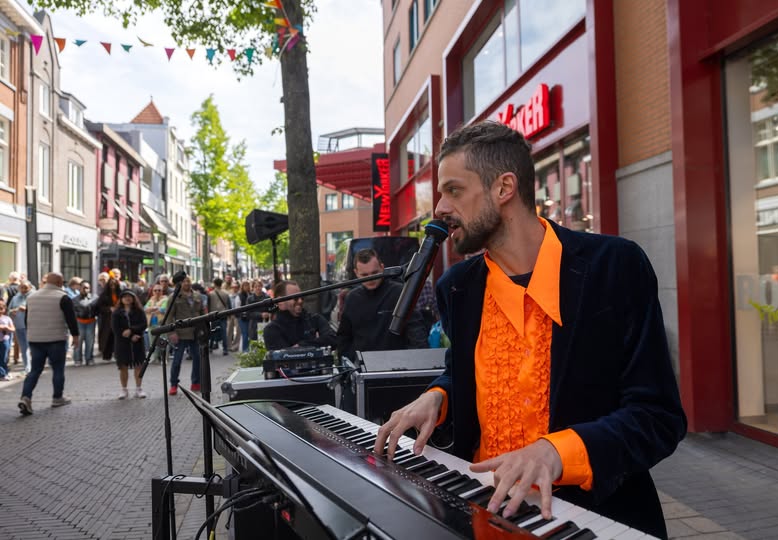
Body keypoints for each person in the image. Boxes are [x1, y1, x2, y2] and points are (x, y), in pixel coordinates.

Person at [372, 121, 686, 539]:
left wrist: (556, 451)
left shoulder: (616, 267)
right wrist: (439, 395)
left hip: (592, 521)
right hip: (484, 518)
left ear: (504, 188)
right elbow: (466, 372)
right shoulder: (457, 288)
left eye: (454, 190)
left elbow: (658, 417)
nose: (439, 210)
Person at [336, 248, 428, 361]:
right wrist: (348, 365)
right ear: (356, 273)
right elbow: (344, 337)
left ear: (382, 267)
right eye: (365, 275)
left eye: (374, 273)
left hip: (398, 365)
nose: (370, 279)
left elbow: (416, 330)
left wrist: (417, 362)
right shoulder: (352, 298)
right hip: (364, 367)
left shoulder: (399, 292)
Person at [18, 272, 79, 415]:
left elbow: (27, 319)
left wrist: (30, 334)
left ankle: (25, 397)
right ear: (59, 282)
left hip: (35, 339)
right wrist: (75, 337)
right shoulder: (63, 297)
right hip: (56, 339)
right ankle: (57, 398)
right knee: (58, 369)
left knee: (35, 370)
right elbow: (71, 319)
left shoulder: (32, 297)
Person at [263, 280, 337, 351]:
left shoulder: (315, 319)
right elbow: (282, 356)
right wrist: (317, 342)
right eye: (295, 298)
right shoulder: (272, 329)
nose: (300, 301)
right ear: (280, 302)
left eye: (302, 297)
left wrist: (301, 346)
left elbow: (332, 340)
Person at [165, 276, 204, 395]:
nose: (187, 283)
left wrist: (203, 329)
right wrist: (171, 333)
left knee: (197, 359)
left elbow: (202, 313)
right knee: (176, 361)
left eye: (188, 281)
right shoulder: (174, 297)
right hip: (180, 334)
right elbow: (169, 316)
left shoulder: (197, 296)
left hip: (195, 333)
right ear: (180, 283)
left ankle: (196, 382)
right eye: (184, 281)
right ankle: (173, 384)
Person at [111, 289, 148, 399]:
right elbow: (115, 328)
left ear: (133, 298)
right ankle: (124, 390)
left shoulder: (139, 311)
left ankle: (139, 389)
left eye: (129, 296)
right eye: (125, 296)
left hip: (137, 341)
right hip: (122, 343)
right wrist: (130, 335)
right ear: (121, 299)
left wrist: (132, 331)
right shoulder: (116, 313)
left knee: (138, 366)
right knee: (123, 367)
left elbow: (143, 324)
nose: (127, 298)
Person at [97, 272, 123, 362]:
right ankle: (107, 355)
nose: (113, 286)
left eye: (114, 284)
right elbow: (99, 307)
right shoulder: (104, 295)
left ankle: (118, 354)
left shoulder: (121, 294)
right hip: (107, 319)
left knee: (118, 337)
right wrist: (109, 309)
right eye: (111, 284)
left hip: (119, 319)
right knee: (107, 337)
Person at [72, 281, 98, 366]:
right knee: (78, 341)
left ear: (89, 289)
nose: (85, 289)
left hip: (91, 321)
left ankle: (89, 358)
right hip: (79, 322)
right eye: (83, 287)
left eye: (87, 287)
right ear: (79, 288)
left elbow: (98, 309)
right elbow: (72, 312)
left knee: (90, 342)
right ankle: (77, 359)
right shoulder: (74, 299)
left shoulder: (95, 298)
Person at [8, 280, 32, 372]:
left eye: (25, 287)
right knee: (23, 347)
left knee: (31, 347)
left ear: (30, 288)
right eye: (21, 287)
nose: (23, 289)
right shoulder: (15, 298)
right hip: (18, 325)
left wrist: (26, 309)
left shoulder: (33, 297)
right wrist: (12, 312)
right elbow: (8, 311)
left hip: (30, 325)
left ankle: (32, 367)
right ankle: (27, 367)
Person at [207, 277, 230, 355]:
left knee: (212, 332)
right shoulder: (226, 293)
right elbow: (228, 305)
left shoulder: (210, 294)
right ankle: (225, 349)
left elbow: (208, 305)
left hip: (213, 315)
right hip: (223, 314)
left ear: (214, 284)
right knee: (224, 333)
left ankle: (210, 347)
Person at [0, 299, 14, 381]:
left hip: (5, 341)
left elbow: (13, 329)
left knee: (4, 358)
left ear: (4, 309)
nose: (0, 310)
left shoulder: (7, 318)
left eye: (1, 308)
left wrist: (7, 328)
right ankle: (2, 374)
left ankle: (5, 373)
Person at [227, 281, 241, 352]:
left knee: (238, 331)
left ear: (238, 288)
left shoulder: (240, 295)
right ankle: (229, 345)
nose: (234, 288)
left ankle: (235, 346)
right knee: (229, 330)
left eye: (236, 287)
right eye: (233, 287)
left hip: (237, 315)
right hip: (230, 314)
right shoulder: (229, 295)